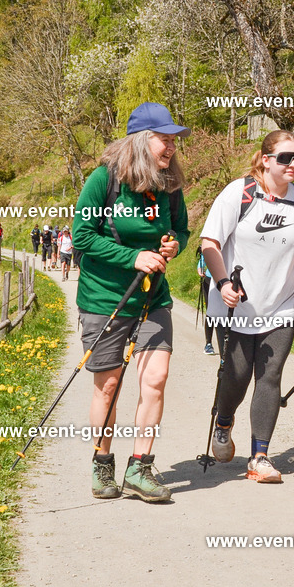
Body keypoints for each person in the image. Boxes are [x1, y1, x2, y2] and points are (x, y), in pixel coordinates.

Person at [72, 101, 190, 503]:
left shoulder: (170, 185)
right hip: (105, 299)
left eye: (174, 139)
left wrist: (174, 244)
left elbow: (182, 230)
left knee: (155, 380)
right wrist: (133, 256)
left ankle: (141, 467)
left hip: (152, 298)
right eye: (164, 138)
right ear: (141, 141)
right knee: (108, 387)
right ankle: (102, 463)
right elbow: (82, 236)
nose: (171, 146)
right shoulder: (104, 181)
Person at [200, 129, 294, 484]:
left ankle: (260, 456)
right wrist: (223, 282)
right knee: (236, 377)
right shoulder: (239, 194)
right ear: (266, 159)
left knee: (270, 376)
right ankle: (223, 422)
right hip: (236, 302)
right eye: (285, 158)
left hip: (281, 305)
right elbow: (210, 242)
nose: (293, 165)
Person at [196, 249, 215, 355]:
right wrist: (201, 265)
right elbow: (207, 248)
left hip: (230, 279)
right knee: (211, 312)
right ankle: (208, 343)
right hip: (210, 279)